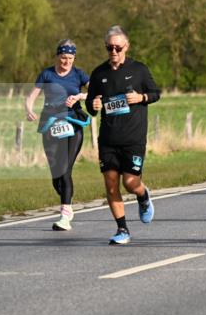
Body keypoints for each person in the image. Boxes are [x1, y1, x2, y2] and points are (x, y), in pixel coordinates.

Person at [85, 26, 160, 245]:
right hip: (108, 139)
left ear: (126, 46)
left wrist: (142, 97)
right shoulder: (99, 73)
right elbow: (91, 105)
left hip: (133, 138)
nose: (114, 51)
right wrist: (93, 104)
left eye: (118, 47)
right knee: (110, 184)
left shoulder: (139, 70)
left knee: (130, 182)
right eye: (110, 48)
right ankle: (122, 229)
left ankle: (143, 195)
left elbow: (156, 94)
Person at [24, 39, 90, 231]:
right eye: (63, 58)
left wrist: (79, 96)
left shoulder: (79, 75)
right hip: (51, 123)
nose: (66, 62)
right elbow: (31, 97)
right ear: (57, 56)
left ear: (74, 58)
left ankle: (65, 215)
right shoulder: (47, 74)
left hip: (73, 123)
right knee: (56, 173)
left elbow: (97, 91)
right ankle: (66, 199)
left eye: (70, 58)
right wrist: (29, 110)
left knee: (65, 169)